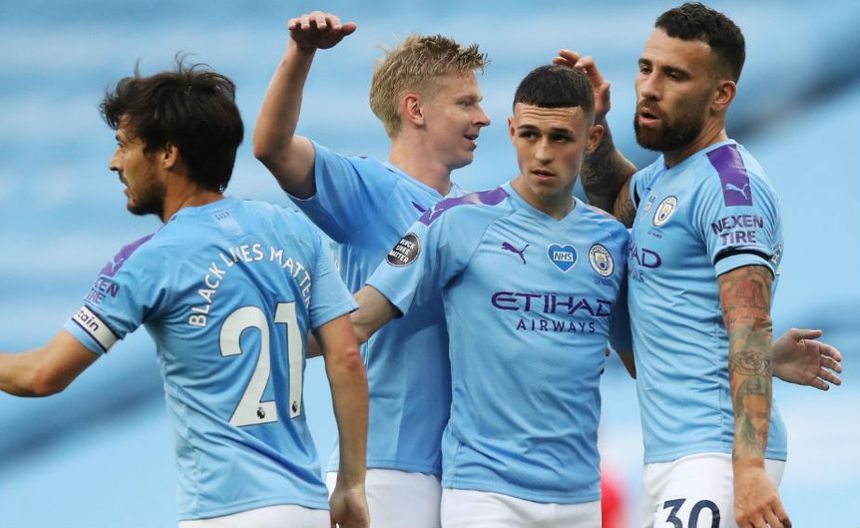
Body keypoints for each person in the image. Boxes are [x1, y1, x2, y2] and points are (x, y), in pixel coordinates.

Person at [0, 60, 369, 528]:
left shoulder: (149, 260)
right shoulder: (293, 230)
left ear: (168, 154)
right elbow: (346, 358)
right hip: (306, 506)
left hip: (225, 511)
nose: (114, 162)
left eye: (125, 145)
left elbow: (43, 376)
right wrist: (351, 485)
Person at [553, 3, 843, 527]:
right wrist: (596, 124)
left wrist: (747, 469)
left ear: (721, 95)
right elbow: (614, 201)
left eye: (674, 75)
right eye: (646, 68)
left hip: (717, 455)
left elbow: (750, 324)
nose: (649, 88)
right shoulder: (666, 176)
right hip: (675, 454)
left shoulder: (732, 190)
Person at [349, 64, 629, 528]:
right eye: (530, 135)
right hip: (485, 493)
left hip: (581, 496)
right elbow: (358, 320)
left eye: (560, 137)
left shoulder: (613, 242)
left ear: (592, 139)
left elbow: (644, 363)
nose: (542, 153)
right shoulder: (457, 221)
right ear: (512, 131)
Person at [253, 11, 489, 527]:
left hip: (465, 474)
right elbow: (271, 147)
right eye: (466, 102)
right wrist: (302, 53)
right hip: (388, 471)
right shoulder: (371, 188)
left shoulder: (472, 212)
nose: (484, 117)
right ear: (415, 109)